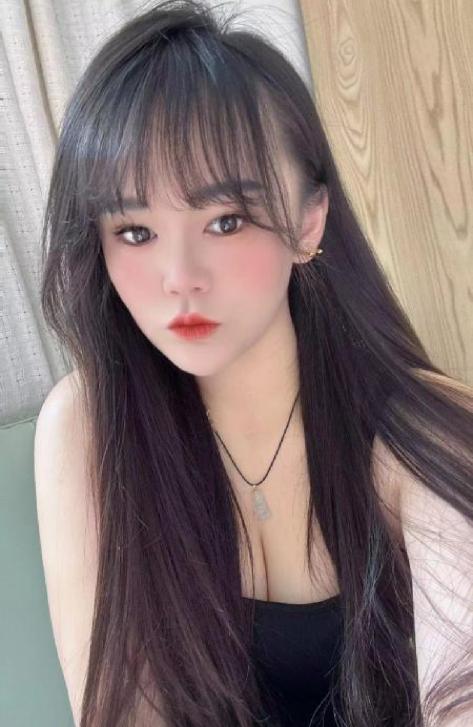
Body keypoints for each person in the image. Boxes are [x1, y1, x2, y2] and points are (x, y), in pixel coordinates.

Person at [34, 1, 473, 725]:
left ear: (307, 221)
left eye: (225, 220)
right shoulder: (87, 429)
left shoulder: (422, 431)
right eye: (135, 230)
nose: (180, 276)